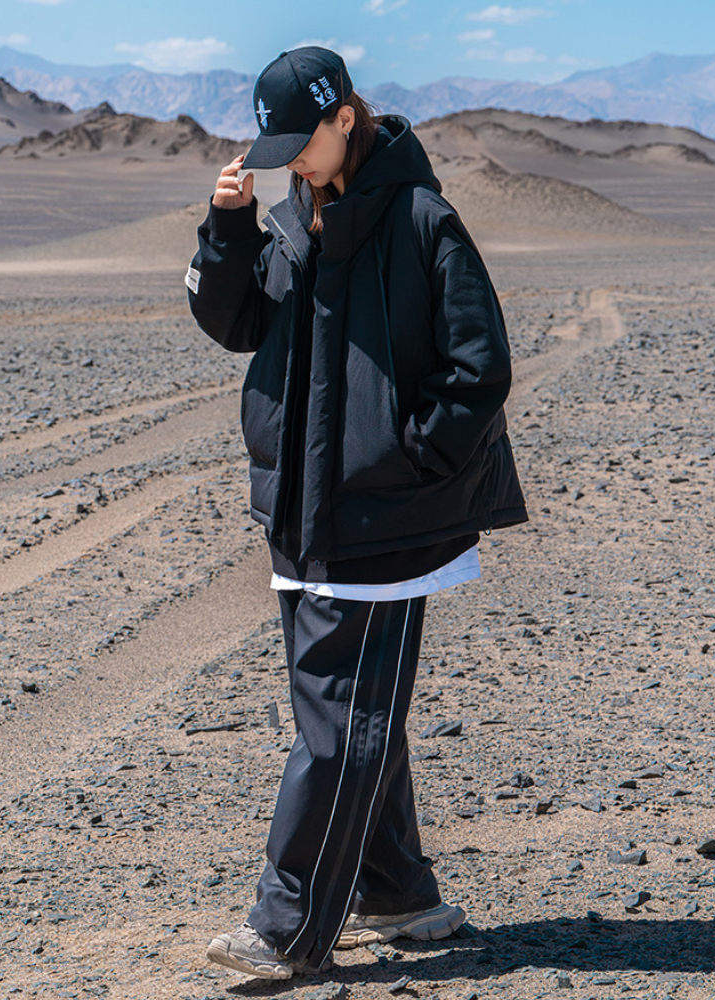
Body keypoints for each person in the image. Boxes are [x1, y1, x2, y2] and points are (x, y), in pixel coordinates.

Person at [185, 45, 528, 981]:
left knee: (340, 722)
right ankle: (398, 892)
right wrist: (227, 230)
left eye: (304, 142)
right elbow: (235, 325)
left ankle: (287, 927)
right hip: (302, 515)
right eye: (279, 149)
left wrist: (409, 461)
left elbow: (480, 367)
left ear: (346, 117)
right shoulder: (294, 224)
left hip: (385, 522)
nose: (292, 162)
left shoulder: (422, 220)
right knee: (353, 712)